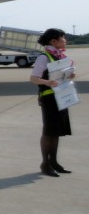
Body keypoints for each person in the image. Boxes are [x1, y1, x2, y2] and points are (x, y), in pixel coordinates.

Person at [29, 28, 75, 177]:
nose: (65, 41)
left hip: (61, 96)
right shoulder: (44, 57)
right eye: (63, 39)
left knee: (56, 131)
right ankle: (45, 164)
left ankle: (54, 162)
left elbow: (61, 76)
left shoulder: (61, 57)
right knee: (49, 131)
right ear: (53, 41)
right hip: (49, 99)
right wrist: (48, 82)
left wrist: (69, 75)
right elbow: (34, 78)